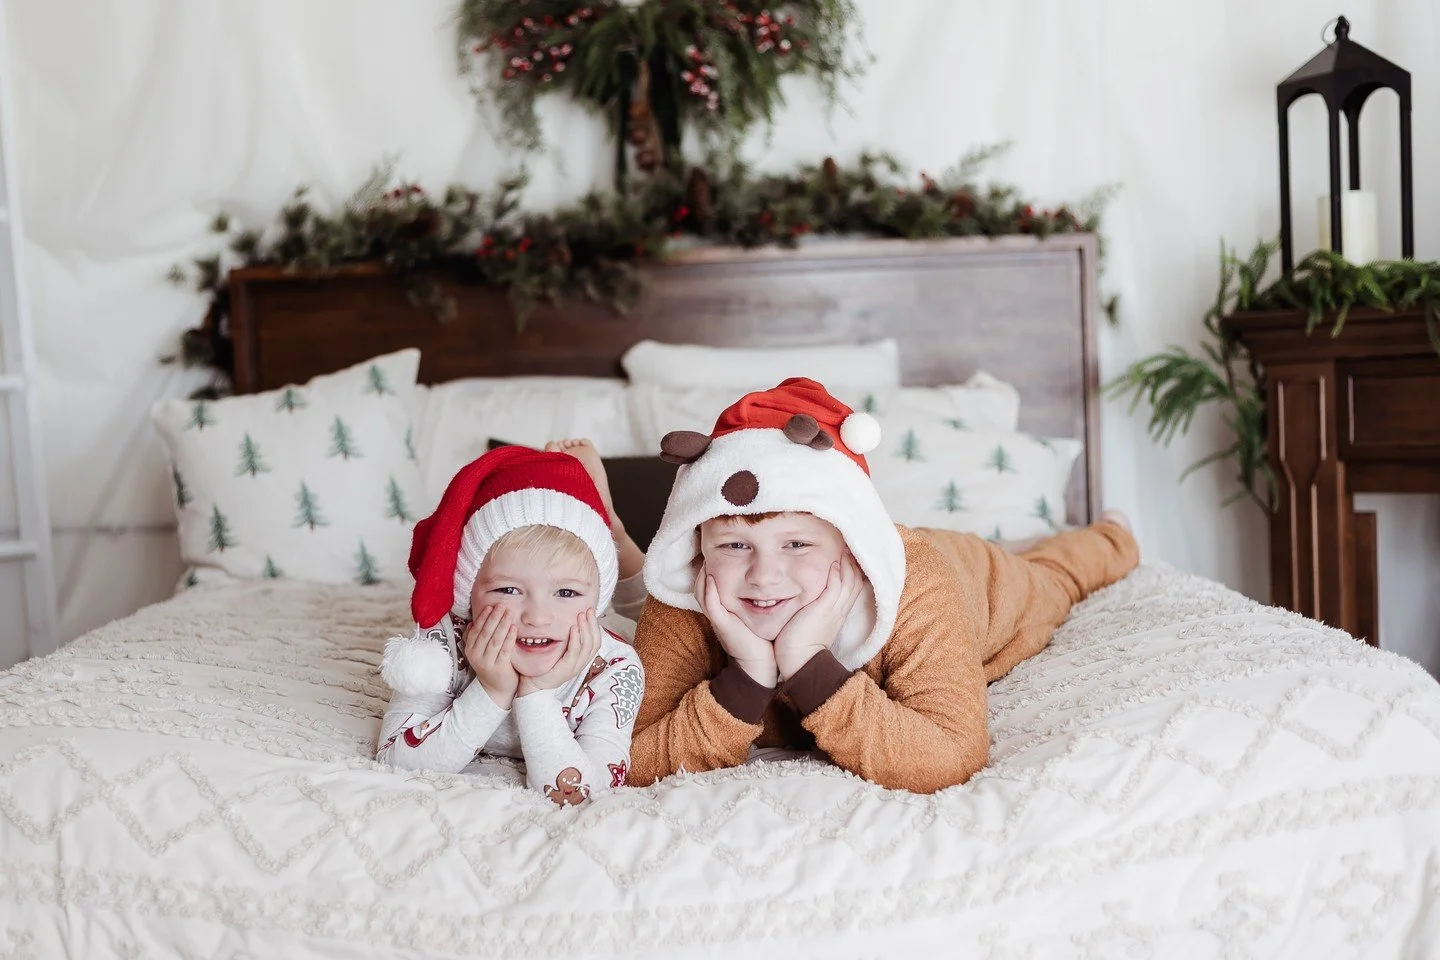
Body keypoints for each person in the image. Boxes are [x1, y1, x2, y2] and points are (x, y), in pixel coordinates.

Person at [627, 377, 1140, 794]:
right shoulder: (688, 595)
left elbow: (951, 757)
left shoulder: (919, 586)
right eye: (735, 546)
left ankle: (1112, 533)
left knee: (1055, 577)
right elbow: (626, 754)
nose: (763, 577)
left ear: (849, 544)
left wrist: (806, 662)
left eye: (797, 545)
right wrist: (749, 679)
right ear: (698, 543)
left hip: (970, 572)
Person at [376, 445, 645, 805]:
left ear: (597, 600)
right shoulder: (444, 644)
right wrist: (491, 691)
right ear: (469, 593)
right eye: (508, 589)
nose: (537, 616)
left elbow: (587, 793)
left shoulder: (614, 667)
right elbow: (397, 761)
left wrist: (536, 692)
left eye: (566, 592)